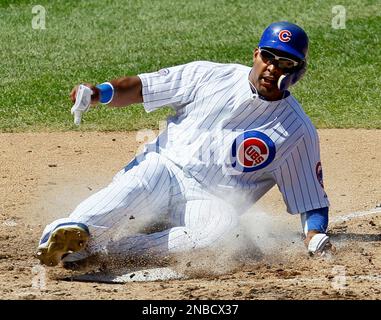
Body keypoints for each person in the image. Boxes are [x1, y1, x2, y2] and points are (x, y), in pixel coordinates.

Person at [36, 21, 333, 267]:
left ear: (299, 71)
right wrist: (98, 92)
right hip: (165, 168)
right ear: (255, 54)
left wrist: (315, 236)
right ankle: (69, 233)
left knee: (222, 234)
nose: (273, 68)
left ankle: (108, 251)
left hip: (209, 201)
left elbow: (311, 200)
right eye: (268, 57)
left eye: (285, 63)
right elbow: (143, 87)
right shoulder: (209, 75)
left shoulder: (297, 132)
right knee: (135, 187)